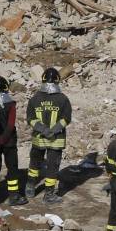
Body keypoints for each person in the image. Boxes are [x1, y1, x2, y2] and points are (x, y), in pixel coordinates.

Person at [26, 67, 71, 204]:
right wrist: (54, 130)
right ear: (58, 80)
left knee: (34, 164)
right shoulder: (63, 99)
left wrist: (42, 130)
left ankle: (30, 188)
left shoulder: (35, 99)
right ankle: (49, 195)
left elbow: (30, 119)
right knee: (52, 168)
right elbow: (66, 118)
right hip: (55, 140)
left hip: (39, 139)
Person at [0, 77, 27, 206]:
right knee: (12, 167)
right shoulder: (11, 105)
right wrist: (4, 139)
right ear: (6, 88)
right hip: (9, 141)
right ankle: (13, 196)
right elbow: (10, 125)